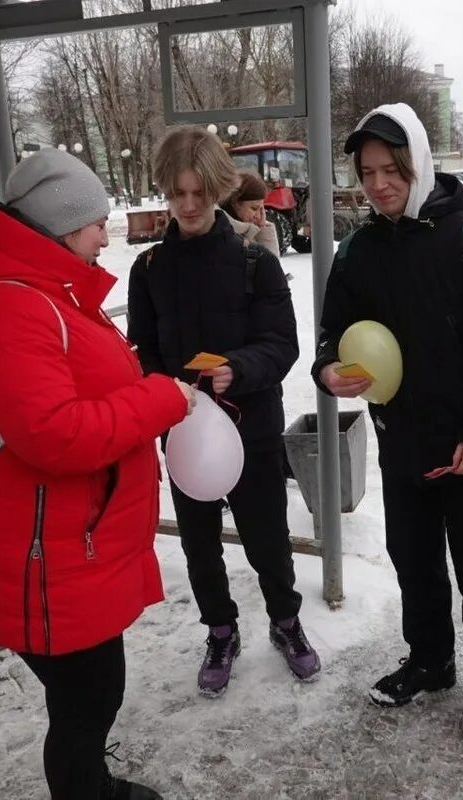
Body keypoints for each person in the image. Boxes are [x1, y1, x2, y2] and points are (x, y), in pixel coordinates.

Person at [0, 148, 195, 800]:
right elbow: (55, 434)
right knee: (86, 703)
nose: (105, 234)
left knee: (88, 698)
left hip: (68, 543)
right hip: (42, 555)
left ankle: (92, 787)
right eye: (95, 221)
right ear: (57, 223)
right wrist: (161, 397)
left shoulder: (49, 294)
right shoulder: (9, 307)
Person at [310, 103, 463, 741]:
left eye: (392, 168)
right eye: (368, 171)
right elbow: (332, 336)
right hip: (401, 443)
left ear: (420, 163)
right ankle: (430, 660)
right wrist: (328, 371)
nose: (379, 184)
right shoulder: (356, 251)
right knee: (414, 561)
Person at [126, 125, 320, 698]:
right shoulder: (150, 269)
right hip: (185, 432)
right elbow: (147, 351)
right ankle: (220, 629)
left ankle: (286, 622)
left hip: (252, 428)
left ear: (217, 190)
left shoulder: (253, 260)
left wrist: (240, 366)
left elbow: (283, 343)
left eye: (199, 193)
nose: (187, 206)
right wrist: (165, 391)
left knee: (267, 539)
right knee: (199, 545)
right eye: (177, 193)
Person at [222, 170, 280, 257]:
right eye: (254, 208)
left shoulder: (252, 231)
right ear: (235, 204)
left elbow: (272, 267)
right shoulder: (222, 234)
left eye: (261, 209)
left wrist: (263, 230)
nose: (258, 216)